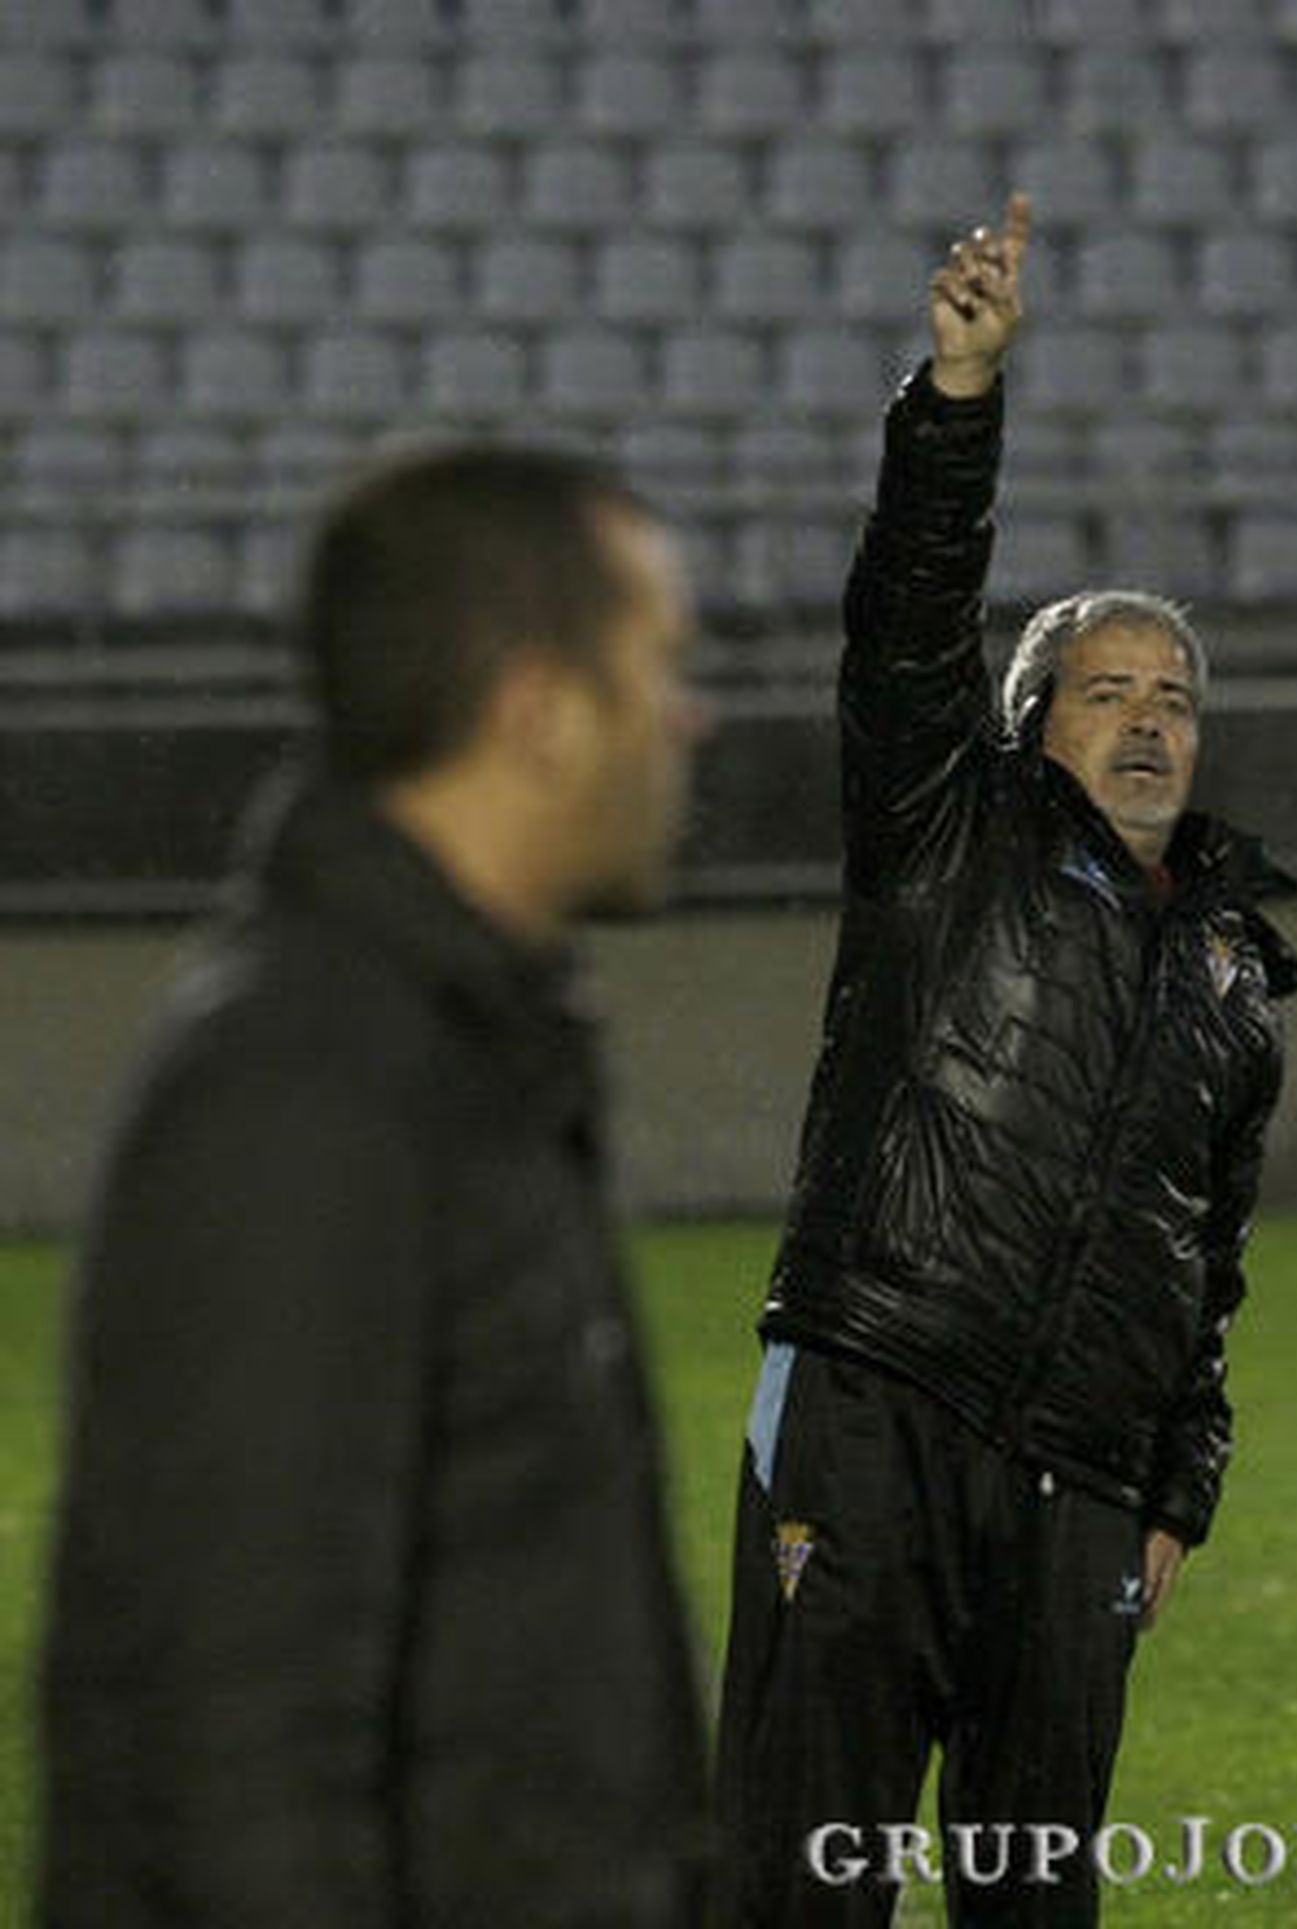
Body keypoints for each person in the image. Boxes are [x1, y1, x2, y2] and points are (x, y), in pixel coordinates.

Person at [714, 195, 1297, 1927]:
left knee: (1032, 1899)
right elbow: (908, 615)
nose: (1148, 718)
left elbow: (1212, 1259)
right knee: (795, 1867)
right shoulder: (942, 832)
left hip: (1083, 1487)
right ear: (1029, 721)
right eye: (1106, 687)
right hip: (873, 1405)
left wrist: (1176, 1485)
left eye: (1176, 697)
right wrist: (956, 404)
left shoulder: (1235, 976)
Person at [40, 444, 711, 1927]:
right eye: (659, 666)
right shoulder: (303, 1090)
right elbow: (237, 1744)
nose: (691, 717)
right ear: (537, 711)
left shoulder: (464, 1047)